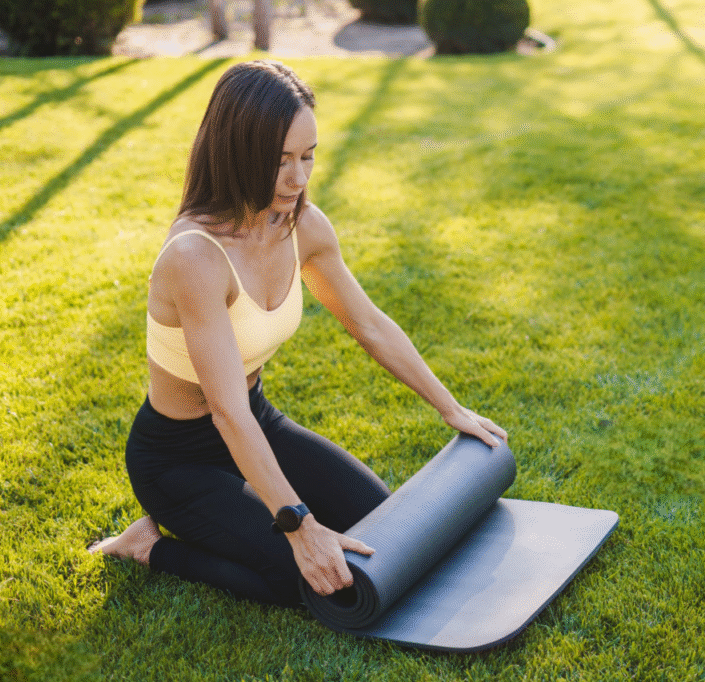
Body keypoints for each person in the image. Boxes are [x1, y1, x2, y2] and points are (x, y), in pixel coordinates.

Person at [89, 60, 507, 607]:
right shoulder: (195, 258)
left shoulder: (303, 226)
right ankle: (148, 544)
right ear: (236, 154)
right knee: (305, 579)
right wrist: (299, 526)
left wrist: (451, 408)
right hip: (177, 458)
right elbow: (225, 412)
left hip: (258, 419)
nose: (298, 178)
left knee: (379, 530)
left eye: (308, 156)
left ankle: (233, 522)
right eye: (280, 161)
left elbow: (370, 325)